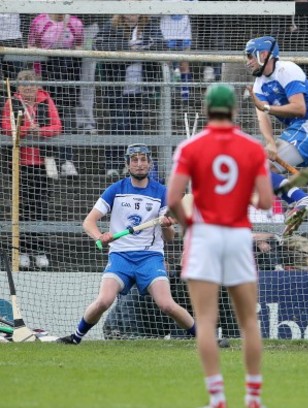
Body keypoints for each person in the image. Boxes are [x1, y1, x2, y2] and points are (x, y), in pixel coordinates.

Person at [167, 83, 273, 408]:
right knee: (248, 323)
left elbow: (172, 200)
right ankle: (253, 397)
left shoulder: (190, 146)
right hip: (238, 235)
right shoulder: (252, 147)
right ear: (236, 111)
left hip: (204, 236)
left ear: (205, 109)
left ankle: (217, 398)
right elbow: (266, 201)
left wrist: (190, 226)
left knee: (206, 320)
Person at [57, 143, 196, 344]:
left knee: (166, 304)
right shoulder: (116, 189)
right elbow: (88, 222)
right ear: (127, 164)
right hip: (120, 256)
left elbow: (170, 237)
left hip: (150, 258)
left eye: (143, 160)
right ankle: (75, 337)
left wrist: (166, 226)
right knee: (104, 301)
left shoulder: (161, 193)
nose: (139, 164)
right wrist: (99, 236)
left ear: (150, 164)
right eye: (134, 160)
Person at [245, 35, 308, 236]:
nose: (248, 61)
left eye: (250, 56)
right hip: (300, 132)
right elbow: (262, 118)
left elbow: (299, 108)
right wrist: (270, 144)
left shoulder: (287, 69)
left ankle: (301, 199)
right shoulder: (259, 84)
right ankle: (297, 203)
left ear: (264, 54)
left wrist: (266, 107)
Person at [1, 69, 62, 269]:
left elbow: (56, 126)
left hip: (43, 163)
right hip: (20, 163)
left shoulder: (46, 101)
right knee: (22, 207)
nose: (28, 88)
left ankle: (40, 250)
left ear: (38, 86)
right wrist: (27, 130)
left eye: (32, 84)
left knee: (40, 206)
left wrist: (41, 131)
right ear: (19, 87)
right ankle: (23, 251)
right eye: (24, 84)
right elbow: (6, 126)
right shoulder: (12, 102)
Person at [95, 14, 164, 177]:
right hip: (117, 87)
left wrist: (143, 47)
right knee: (118, 125)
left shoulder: (150, 25)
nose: (132, 15)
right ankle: (112, 164)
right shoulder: (111, 25)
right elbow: (97, 44)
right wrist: (127, 47)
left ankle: (133, 165)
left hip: (141, 88)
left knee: (136, 126)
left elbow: (162, 44)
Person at [28, 13, 84, 175]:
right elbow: (31, 46)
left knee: (67, 116)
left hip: (69, 76)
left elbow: (80, 46)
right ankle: (49, 158)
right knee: (46, 115)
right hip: (45, 75)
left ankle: (67, 160)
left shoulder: (76, 23)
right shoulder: (39, 21)